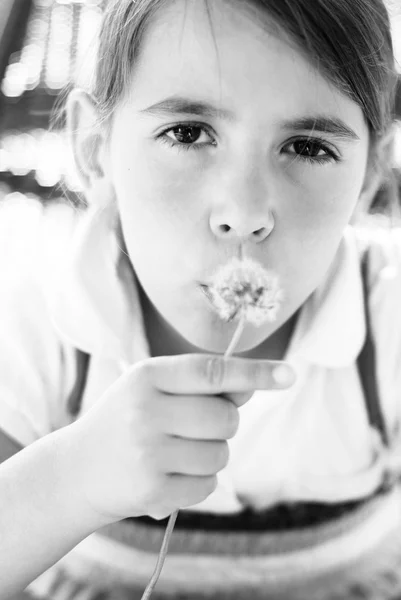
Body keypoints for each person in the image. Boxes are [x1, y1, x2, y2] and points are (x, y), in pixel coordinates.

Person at [0, 0, 400, 598]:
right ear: (93, 148)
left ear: (371, 174)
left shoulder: (386, 321)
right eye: (187, 133)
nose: (245, 214)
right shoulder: (36, 331)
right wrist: (70, 480)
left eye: (310, 147)